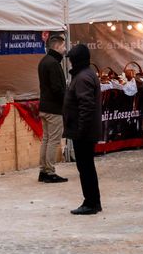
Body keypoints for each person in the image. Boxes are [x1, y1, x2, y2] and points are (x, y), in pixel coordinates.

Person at [64, 43, 103, 215]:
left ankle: (91, 202)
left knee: (85, 168)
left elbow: (86, 107)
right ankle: (93, 201)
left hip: (84, 132)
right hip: (85, 130)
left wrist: (81, 131)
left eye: (72, 59)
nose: (70, 63)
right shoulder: (86, 75)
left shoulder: (82, 78)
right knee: (87, 167)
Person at [37, 34, 69, 184]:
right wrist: (66, 101)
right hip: (53, 109)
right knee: (53, 141)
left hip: (44, 106)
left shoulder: (44, 61)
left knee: (46, 139)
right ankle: (49, 171)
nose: (65, 49)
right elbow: (57, 89)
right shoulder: (54, 64)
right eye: (63, 46)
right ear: (57, 47)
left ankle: (43, 170)